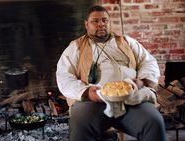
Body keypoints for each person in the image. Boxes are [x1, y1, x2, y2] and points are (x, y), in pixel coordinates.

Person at [56, 5, 167, 141]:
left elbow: (149, 62)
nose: (101, 24)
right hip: (94, 102)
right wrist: (86, 92)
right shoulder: (76, 47)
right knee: (79, 122)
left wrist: (141, 81)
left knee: (154, 122)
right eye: (95, 21)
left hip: (130, 99)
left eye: (104, 20)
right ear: (86, 24)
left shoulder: (126, 41)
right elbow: (63, 76)